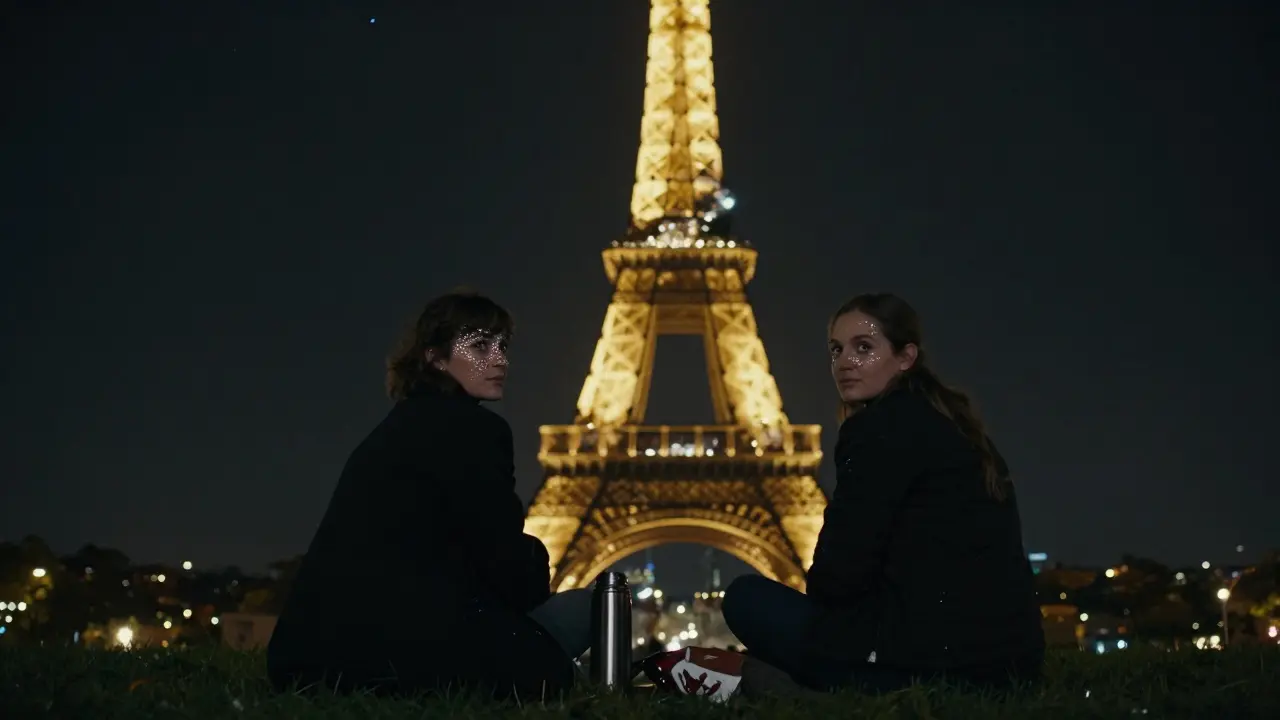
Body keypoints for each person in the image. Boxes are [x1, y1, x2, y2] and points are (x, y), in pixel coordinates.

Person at [267, 291, 593, 700]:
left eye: (502, 346)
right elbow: (503, 559)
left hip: (313, 662)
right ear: (436, 357)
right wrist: (534, 566)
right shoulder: (478, 431)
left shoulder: (389, 432)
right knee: (596, 605)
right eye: (479, 346)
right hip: (414, 660)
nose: (500, 360)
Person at [723, 292, 1045, 693]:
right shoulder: (956, 430)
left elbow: (835, 577)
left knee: (745, 598)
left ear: (906, 357)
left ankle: (807, 684)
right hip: (1003, 668)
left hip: (927, 666)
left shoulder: (877, 430)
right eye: (837, 349)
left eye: (864, 347)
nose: (845, 362)